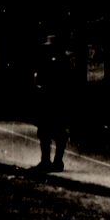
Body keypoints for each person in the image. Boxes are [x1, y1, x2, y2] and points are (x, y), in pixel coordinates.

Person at [34, 33, 78, 172]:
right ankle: (47, 161)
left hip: (57, 103)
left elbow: (66, 85)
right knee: (45, 132)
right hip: (49, 102)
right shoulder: (51, 61)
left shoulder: (62, 62)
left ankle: (56, 162)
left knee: (57, 133)